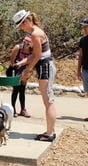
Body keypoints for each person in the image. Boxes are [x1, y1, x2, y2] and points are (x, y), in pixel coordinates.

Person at [12, 10, 57, 142]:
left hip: (45, 67)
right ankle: (50, 130)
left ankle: (49, 133)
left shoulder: (35, 34)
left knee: (48, 101)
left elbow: (37, 56)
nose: (21, 28)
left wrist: (26, 70)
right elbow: (35, 54)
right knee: (47, 100)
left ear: (26, 21)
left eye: (21, 25)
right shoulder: (37, 32)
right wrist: (22, 62)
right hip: (43, 66)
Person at [9, 35, 32, 118]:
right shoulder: (18, 48)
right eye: (25, 42)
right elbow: (11, 61)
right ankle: (13, 109)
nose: (26, 44)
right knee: (15, 90)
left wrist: (26, 72)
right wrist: (15, 71)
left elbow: (31, 62)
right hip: (16, 70)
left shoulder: (31, 51)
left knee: (22, 90)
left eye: (28, 43)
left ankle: (23, 109)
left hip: (25, 71)